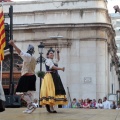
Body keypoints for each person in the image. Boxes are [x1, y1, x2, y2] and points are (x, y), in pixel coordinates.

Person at [9, 40, 36, 114]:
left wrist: (13, 44)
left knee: (19, 92)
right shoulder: (33, 57)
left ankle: (31, 104)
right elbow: (27, 63)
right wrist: (20, 65)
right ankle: (29, 108)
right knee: (28, 93)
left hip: (26, 77)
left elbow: (20, 52)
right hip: (32, 76)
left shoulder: (27, 56)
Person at [40, 49, 68, 113]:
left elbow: (58, 59)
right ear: (47, 55)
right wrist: (61, 68)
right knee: (50, 91)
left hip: (55, 76)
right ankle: (50, 107)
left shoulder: (53, 60)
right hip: (50, 76)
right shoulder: (48, 60)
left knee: (55, 92)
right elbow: (53, 67)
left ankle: (51, 107)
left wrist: (58, 52)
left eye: (52, 53)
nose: (52, 54)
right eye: (50, 53)